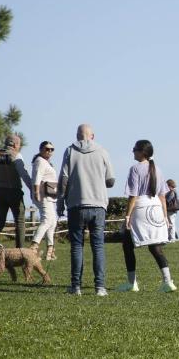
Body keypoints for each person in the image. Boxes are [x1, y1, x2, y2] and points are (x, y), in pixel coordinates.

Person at [57, 124, 115, 296]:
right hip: (98, 204)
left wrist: (61, 201)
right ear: (93, 136)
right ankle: (100, 287)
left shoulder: (69, 151)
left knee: (77, 246)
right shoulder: (103, 151)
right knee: (98, 246)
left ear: (77, 136)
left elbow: (64, 179)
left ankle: (76, 287)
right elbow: (111, 180)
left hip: (76, 204)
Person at [115, 140, 176, 293]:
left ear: (143, 152)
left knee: (128, 246)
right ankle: (168, 281)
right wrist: (165, 216)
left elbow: (133, 195)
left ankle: (132, 283)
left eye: (135, 149)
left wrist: (127, 216)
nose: (133, 151)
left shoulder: (135, 169)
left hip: (141, 208)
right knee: (155, 247)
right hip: (156, 208)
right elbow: (162, 196)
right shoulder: (158, 169)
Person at [0, 135, 35, 248]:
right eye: (19, 144)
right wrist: (32, 188)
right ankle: (20, 250)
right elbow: (23, 174)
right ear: (15, 145)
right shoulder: (16, 156)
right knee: (20, 222)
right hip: (14, 191)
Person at [30, 140, 59, 261]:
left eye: (52, 149)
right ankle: (33, 247)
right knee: (47, 220)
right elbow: (37, 178)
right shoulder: (40, 161)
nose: (50, 151)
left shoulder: (46, 162)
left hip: (50, 195)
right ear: (41, 149)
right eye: (47, 149)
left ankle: (50, 251)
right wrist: (36, 192)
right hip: (43, 195)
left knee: (52, 222)